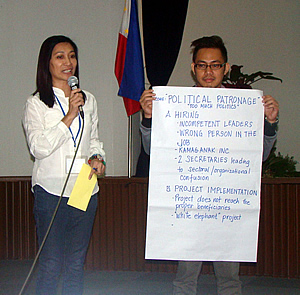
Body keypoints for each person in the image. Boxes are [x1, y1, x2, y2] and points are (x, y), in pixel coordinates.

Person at [139, 35, 279, 295]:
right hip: (189, 206)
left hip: (228, 205)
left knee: (229, 281)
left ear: (226, 68)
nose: (208, 71)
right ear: (193, 68)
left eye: (215, 65)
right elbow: (152, 151)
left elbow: (259, 156)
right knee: (184, 280)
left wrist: (269, 124)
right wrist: (148, 118)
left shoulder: (245, 107)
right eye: (202, 65)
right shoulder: (174, 106)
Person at [22, 35, 106, 295]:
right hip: (51, 190)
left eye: (72, 55)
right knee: (51, 262)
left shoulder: (88, 99)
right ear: (47, 63)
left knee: (75, 263)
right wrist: (69, 116)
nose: (68, 62)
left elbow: (93, 139)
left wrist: (97, 157)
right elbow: (38, 148)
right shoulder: (36, 103)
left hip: (84, 186)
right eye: (60, 56)